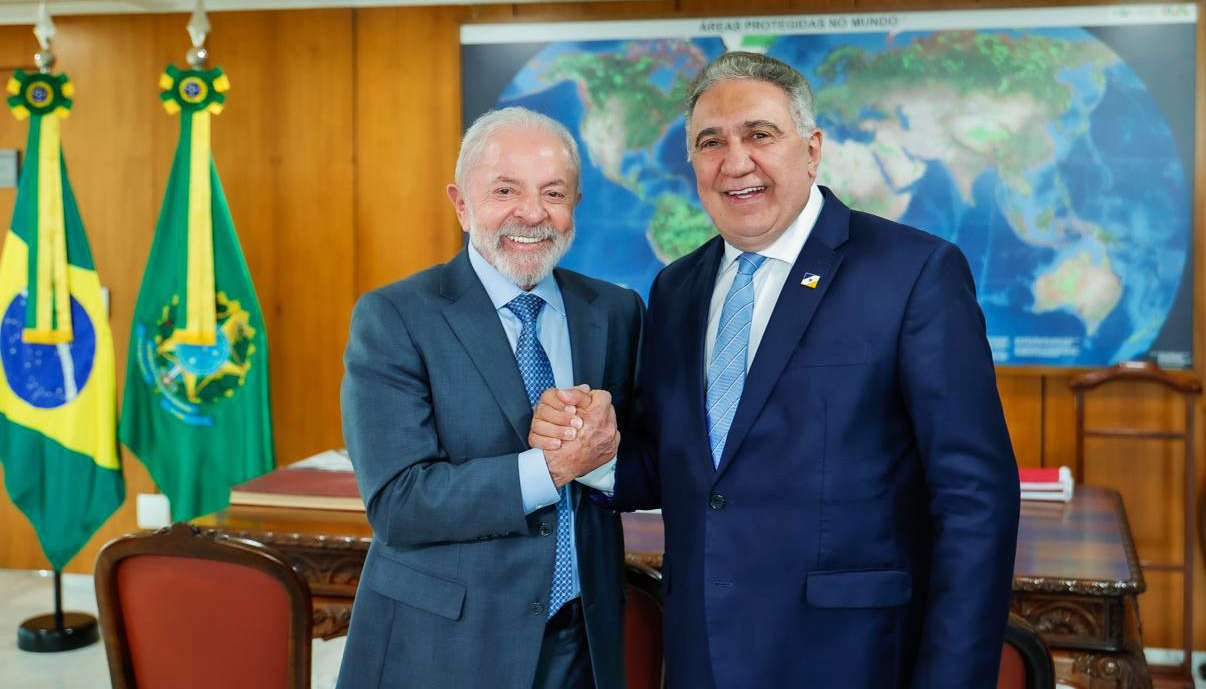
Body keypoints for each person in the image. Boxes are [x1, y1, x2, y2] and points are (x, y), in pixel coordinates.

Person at [531, 52, 1021, 688]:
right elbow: (680, 466)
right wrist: (591, 451)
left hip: (853, 660)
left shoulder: (913, 273)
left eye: (759, 134)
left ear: (811, 150)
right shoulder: (677, 289)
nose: (736, 162)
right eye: (711, 142)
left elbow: (975, 499)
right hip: (703, 657)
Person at [337, 106, 642, 689]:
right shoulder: (394, 316)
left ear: (575, 205)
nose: (533, 212)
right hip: (445, 645)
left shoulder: (616, 311)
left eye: (553, 193)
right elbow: (398, 503)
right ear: (461, 204)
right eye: (506, 190)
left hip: (584, 640)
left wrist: (602, 459)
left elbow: (638, 460)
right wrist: (552, 468)